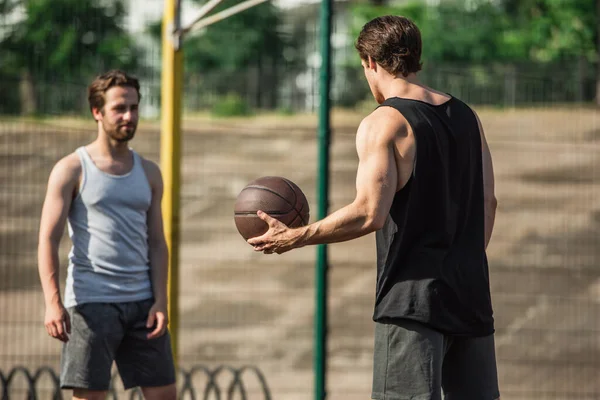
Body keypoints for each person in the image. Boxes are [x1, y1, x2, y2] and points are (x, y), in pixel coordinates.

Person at [248, 15, 499, 400]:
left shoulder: (385, 123)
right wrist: (460, 262)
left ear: (370, 62)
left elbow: (369, 213)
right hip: (471, 294)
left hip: (412, 303)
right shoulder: (468, 117)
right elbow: (488, 202)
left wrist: (296, 236)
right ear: (417, 57)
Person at [37, 70, 177, 400]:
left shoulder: (149, 172)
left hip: (143, 303)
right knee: (90, 397)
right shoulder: (71, 168)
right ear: (97, 112)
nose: (129, 116)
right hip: (90, 302)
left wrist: (161, 299)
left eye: (134, 107)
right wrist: (53, 303)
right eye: (119, 108)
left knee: (165, 395)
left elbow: (157, 242)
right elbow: (47, 239)